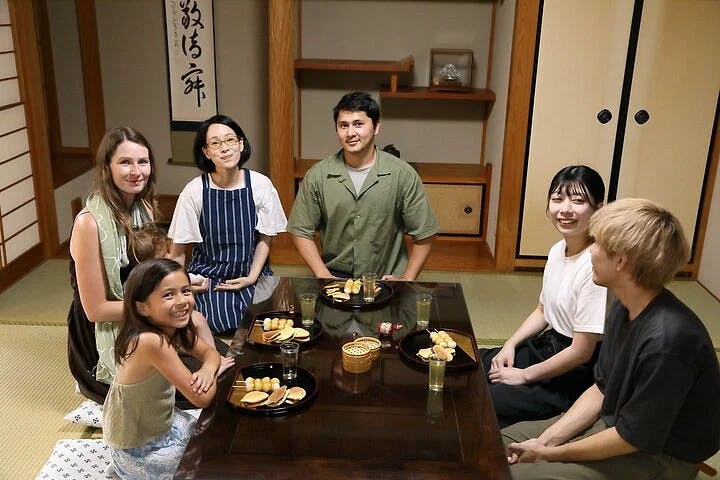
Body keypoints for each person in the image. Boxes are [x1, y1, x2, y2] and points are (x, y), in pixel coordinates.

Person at [503, 198, 720, 480]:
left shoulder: (668, 341)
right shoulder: (623, 305)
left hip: (663, 452)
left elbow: (632, 438)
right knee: (502, 444)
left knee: (519, 476)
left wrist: (548, 455)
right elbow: (602, 389)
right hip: (617, 422)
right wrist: (546, 441)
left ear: (620, 260)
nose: (591, 250)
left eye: (597, 244)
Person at [480, 165, 607, 427]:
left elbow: (582, 352)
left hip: (572, 373)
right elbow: (542, 311)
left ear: (599, 208)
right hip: (545, 347)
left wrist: (524, 375)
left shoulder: (598, 265)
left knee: (485, 401)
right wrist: (510, 345)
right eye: (558, 199)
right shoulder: (558, 250)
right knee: (470, 362)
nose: (565, 209)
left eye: (579, 200)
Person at [287, 91, 439, 280]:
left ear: (376, 127)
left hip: (385, 276)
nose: (350, 133)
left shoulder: (403, 174)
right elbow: (300, 229)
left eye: (358, 124)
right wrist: (322, 274)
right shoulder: (318, 175)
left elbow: (425, 232)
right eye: (343, 125)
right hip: (336, 276)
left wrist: (406, 280)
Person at [168, 114, 287, 334]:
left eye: (230, 140)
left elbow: (265, 238)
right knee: (217, 324)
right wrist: (183, 287)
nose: (225, 148)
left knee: (268, 323)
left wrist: (251, 277)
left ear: (241, 144)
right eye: (215, 143)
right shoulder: (194, 191)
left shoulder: (261, 185)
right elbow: (178, 251)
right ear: (206, 152)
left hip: (252, 271)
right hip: (209, 276)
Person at [104, 258, 221, 478]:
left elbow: (211, 353)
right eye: (168, 295)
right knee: (211, 463)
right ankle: (124, 472)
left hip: (161, 422)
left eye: (185, 291)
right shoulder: (151, 342)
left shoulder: (174, 327)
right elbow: (201, 399)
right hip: (138, 445)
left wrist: (208, 369)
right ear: (142, 307)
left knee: (216, 437)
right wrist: (213, 368)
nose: (182, 301)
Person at [68, 127, 162, 402]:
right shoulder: (89, 223)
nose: (136, 171)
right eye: (125, 162)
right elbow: (96, 310)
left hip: (140, 314)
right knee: (184, 388)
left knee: (216, 364)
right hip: (103, 330)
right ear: (107, 168)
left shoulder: (141, 207)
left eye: (142, 162)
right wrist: (155, 310)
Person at [129, 224, 234, 374]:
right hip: (157, 326)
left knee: (198, 319)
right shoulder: (141, 282)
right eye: (163, 254)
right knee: (196, 319)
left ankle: (213, 357)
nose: (168, 256)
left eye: (168, 252)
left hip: (171, 328)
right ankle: (214, 360)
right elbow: (200, 398)